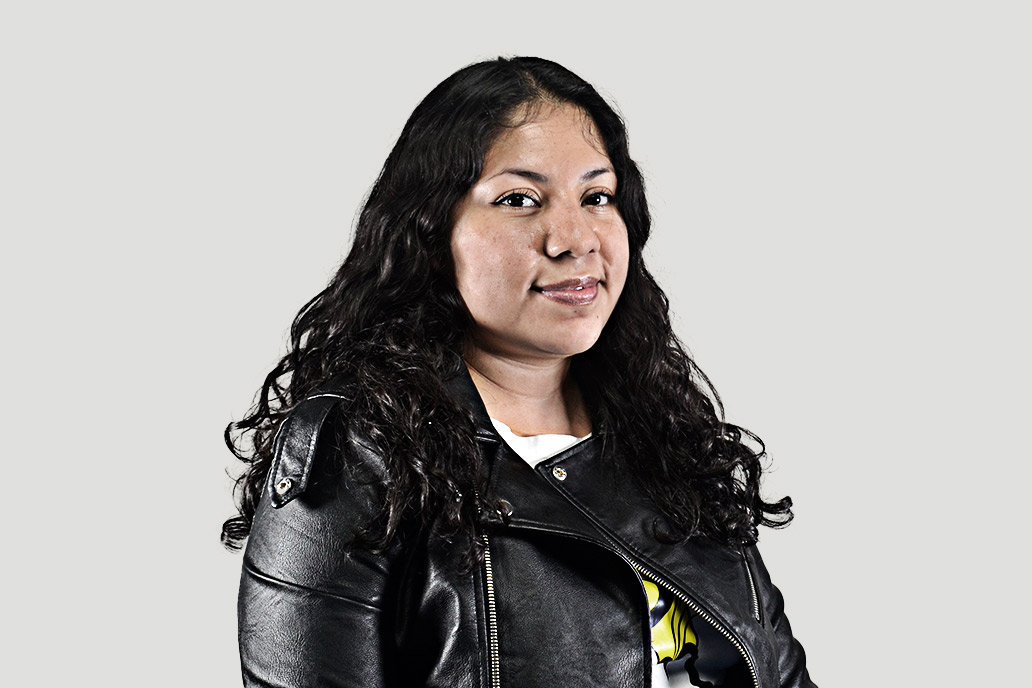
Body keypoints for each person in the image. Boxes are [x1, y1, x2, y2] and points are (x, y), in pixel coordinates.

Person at [223, 56, 816, 688]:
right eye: (519, 200)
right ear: (431, 230)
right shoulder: (359, 450)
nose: (574, 239)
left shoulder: (670, 444)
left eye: (597, 197)